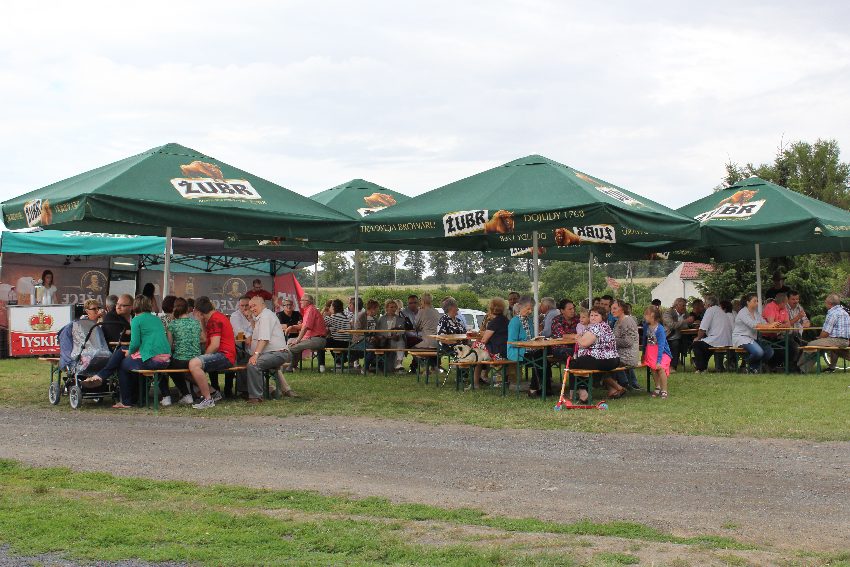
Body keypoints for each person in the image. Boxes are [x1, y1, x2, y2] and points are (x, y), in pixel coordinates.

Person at [109, 295, 171, 409]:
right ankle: (140, 397)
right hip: (166, 360)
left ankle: (126, 402)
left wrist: (129, 352)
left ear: (134, 306)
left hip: (153, 360)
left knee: (122, 364)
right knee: (135, 362)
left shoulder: (136, 320)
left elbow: (135, 343)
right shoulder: (156, 319)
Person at [188, 296, 237, 409]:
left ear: (200, 312)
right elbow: (206, 338)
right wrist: (201, 321)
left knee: (194, 364)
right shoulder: (214, 317)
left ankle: (208, 399)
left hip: (225, 355)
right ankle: (213, 393)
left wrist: (202, 358)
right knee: (190, 367)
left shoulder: (215, 320)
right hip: (225, 354)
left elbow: (215, 345)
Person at [570, 306, 623, 401]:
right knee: (583, 362)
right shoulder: (605, 326)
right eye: (591, 315)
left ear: (602, 316)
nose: (593, 317)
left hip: (604, 359)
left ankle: (582, 394)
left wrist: (578, 338)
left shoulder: (596, 327)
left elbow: (584, 344)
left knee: (574, 363)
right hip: (612, 359)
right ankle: (615, 388)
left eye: (596, 315)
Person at [245, 295, 290, 403]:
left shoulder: (266, 316)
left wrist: (256, 355)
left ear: (263, 304)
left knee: (253, 364)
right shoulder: (262, 316)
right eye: (250, 307)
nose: (252, 309)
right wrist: (251, 319)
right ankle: (248, 391)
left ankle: (256, 397)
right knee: (243, 361)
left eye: (254, 306)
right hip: (271, 353)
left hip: (277, 353)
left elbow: (264, 339)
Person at [507, 296, 553, 398]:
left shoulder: (529, 320)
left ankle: (543, 388)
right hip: (517, 351)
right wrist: (528, 343)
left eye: (531, 309)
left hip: (529, 350)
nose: (530, 311)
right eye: (528, 309)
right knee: (539, 358)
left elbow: (531, 337)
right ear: (520, 307)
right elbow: (512, 342)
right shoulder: (514, 322)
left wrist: (536, 340)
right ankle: (535, 388)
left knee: (543, 357)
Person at [797, 293, 850, 373]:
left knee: (811, 344)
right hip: (845, 341)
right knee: (823, 347)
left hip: (837, 340)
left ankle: (798, 366)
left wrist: (819, 338)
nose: (825, 304)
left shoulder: (832, 313)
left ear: (829, 303)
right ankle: (804, 369)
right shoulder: (844, 312)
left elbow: (825, 333)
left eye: (825, 302)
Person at [165, 298, 201, 405]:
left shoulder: (172, 324)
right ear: (187, 309)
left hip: (181, 361)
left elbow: (169, 346)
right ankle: (194, 392)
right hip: (197, 359)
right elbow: (202, 339)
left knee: (167, 365)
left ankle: (185, 394)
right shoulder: (196, 323)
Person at [732, 293, 777, 374]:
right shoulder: (743, 312)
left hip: (752, 339)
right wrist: (770, 325)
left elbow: (763, 323)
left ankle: (753, 367)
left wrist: (773, 325)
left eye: (757, 301)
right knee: (759, 352)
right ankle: (747, 365)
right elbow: (754, 325)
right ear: (748, 302)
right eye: (755, 301)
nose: (757, 303)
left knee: (770, 351)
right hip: (741, 338)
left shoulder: (756, 313)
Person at [472, 297, 509, 388]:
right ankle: (482, 376)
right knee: (479, 352)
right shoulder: (506, 320)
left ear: (491, 309)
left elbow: (484, 340)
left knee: (476, 347)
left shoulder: (494, 322)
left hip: (497, 353)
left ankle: (475, 382)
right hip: (506, 351)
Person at [691, 297, 734, 373]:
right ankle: (704, 367)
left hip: (717, 340)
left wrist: (697, 338)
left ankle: (701, 368)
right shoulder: (720, 310)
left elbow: (702, 328)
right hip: (727, 340)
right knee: (705, 346)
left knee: (696, 344)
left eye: (704, 304)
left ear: (708, 304)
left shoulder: (710, 310)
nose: (704, 306)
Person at [285, 293, 327, 368]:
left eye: (302, 300)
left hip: (317, 339)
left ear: (308, 301)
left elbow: (305, 327)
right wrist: (292, 327)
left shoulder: (310, 310)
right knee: (291, 344)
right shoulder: (310, 309)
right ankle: (291, 366)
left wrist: (297, 340)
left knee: (292, 346)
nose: (300, 302)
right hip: (315, 338)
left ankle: (290, 366)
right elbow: (304, 325)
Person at [762, 292, 797, 370]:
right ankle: (771, 366)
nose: (787, 305)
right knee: (782, 349)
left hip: (777, 337)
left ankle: (790, 368)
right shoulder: (770, 307)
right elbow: (772, 324)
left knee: (793, 346)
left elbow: (788, 324)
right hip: (765, 338)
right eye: (786, 303)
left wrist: (779, 325)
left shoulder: (783, 308)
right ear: (782, 303)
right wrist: (782, 325)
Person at [643, 305, 672, 399]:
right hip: (651, 353)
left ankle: (664, 390)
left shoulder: (660, 329)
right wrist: (643, 353)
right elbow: (645, 341)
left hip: (662, 353)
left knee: (661, 368)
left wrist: (659, 361)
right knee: (653, 368)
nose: (644, 316)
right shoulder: (646, 326)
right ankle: (657, 387)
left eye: (646, 314)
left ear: (652, 315)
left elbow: (661, 345)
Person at [611, 300, 641, 391]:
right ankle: (623, 384)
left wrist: (612, 341)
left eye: (615, 308)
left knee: (609, 362)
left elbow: (629, 342)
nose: (612, 311)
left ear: (622, 309)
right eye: (611, 309)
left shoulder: (627, 320)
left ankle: (623, 384)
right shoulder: (617, 321)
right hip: (621, 353)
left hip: (629, 355)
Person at [373, 299, 408, 372]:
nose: (393, 309)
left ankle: (399, 363)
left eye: (395, 307)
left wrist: (397, 335)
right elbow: (378, 333)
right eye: (391, 307)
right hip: (384, 342)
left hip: (396, 341)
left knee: (401, 341)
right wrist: (387, 337)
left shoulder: (400, 319)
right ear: (386, 308)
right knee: (389, 368)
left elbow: (402, 331)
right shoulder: (381, 319)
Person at [319, 299, 351, 372]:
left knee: (320, 343)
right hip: (346, 343)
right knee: (330, 340)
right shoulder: (345, 317)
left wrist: (323, 311)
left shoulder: (333, 317)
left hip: (338, 342)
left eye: (330, 306)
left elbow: (319, 322)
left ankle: (321, 366)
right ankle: (338, 364)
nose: (329, 307)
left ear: (333, 307)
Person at [663, 298, 694, 372]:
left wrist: (693, 323)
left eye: (685, 305)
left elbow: (688, 324)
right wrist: (685, 321)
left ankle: (697, 363)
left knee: (696, 342)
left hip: (683, 336)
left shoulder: (685, 313)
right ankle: (672, 367)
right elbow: (671, 325)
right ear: (676, 305)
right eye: (683, 305)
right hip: (669, 336)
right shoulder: (668, 313)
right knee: (675, 343)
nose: (685, 307)